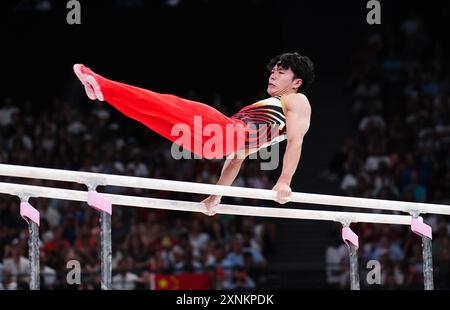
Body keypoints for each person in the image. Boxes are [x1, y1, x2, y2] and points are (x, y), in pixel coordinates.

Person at [73, 52, 313, 215]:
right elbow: (237, 157)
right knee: (150, 114)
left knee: (165, 105)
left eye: (281, 73)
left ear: (297, 82)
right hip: (217, 143)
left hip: (224, 133)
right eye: (273, 71)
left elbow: (296, 140)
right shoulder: (268, 115)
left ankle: (102, 84)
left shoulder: (297, 100)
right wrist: (216, 195)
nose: (273, 75)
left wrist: (284, 181)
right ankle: (105, 93)